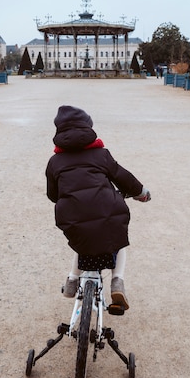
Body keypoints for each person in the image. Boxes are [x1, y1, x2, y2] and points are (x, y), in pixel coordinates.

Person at [45, 105, 150, 310]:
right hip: (107, 212)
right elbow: (123, 177)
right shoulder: (101, 155)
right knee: (118, 241)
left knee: (81, 240)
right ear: (88, 128)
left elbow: (52, 195)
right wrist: (141, 193)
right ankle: (117, 281)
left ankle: (72, 280)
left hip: (72, 216)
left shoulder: (55, 162)